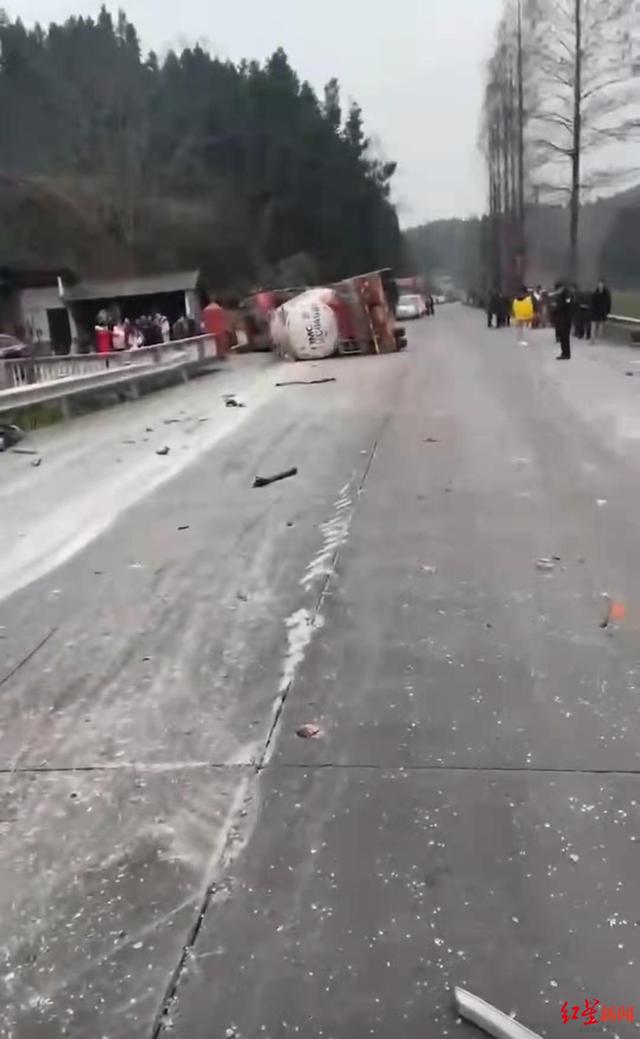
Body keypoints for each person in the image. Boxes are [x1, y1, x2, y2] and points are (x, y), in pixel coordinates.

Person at [551, 281, 574, 360]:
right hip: (562, 319)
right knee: (563, 337)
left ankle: (566, 354)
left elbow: (566, 306)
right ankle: (564, 353)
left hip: (565, 319)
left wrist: (556, 306)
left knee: (565, 338)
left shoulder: (566, 296)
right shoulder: (562, 295)